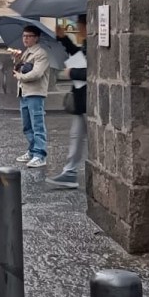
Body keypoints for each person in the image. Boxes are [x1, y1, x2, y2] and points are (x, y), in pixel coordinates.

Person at [48, 15, 88, 188]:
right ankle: (70, 173)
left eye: (80, 25)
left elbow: (92, 71)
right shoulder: (87, 43)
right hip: (81, 101)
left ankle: (71, 172)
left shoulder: (95, 44)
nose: (78, 29)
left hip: (88, 101)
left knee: (81, 138)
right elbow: (78, 56)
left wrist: (72, 73)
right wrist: (63, 38)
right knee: (76, 137)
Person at [11, 26, 50, 169]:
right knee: (27, 125)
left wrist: (20, 77)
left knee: (37, 124)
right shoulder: (26, 53)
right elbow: (18, 69)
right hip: (24, 92)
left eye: (29, 36)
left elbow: (36, 74)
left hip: (35, 93)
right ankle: (33, 150)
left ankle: (40, 155)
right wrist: (16, 60)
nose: (25, 39)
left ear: (36, 38)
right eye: (24, 36)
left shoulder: (41, 54)